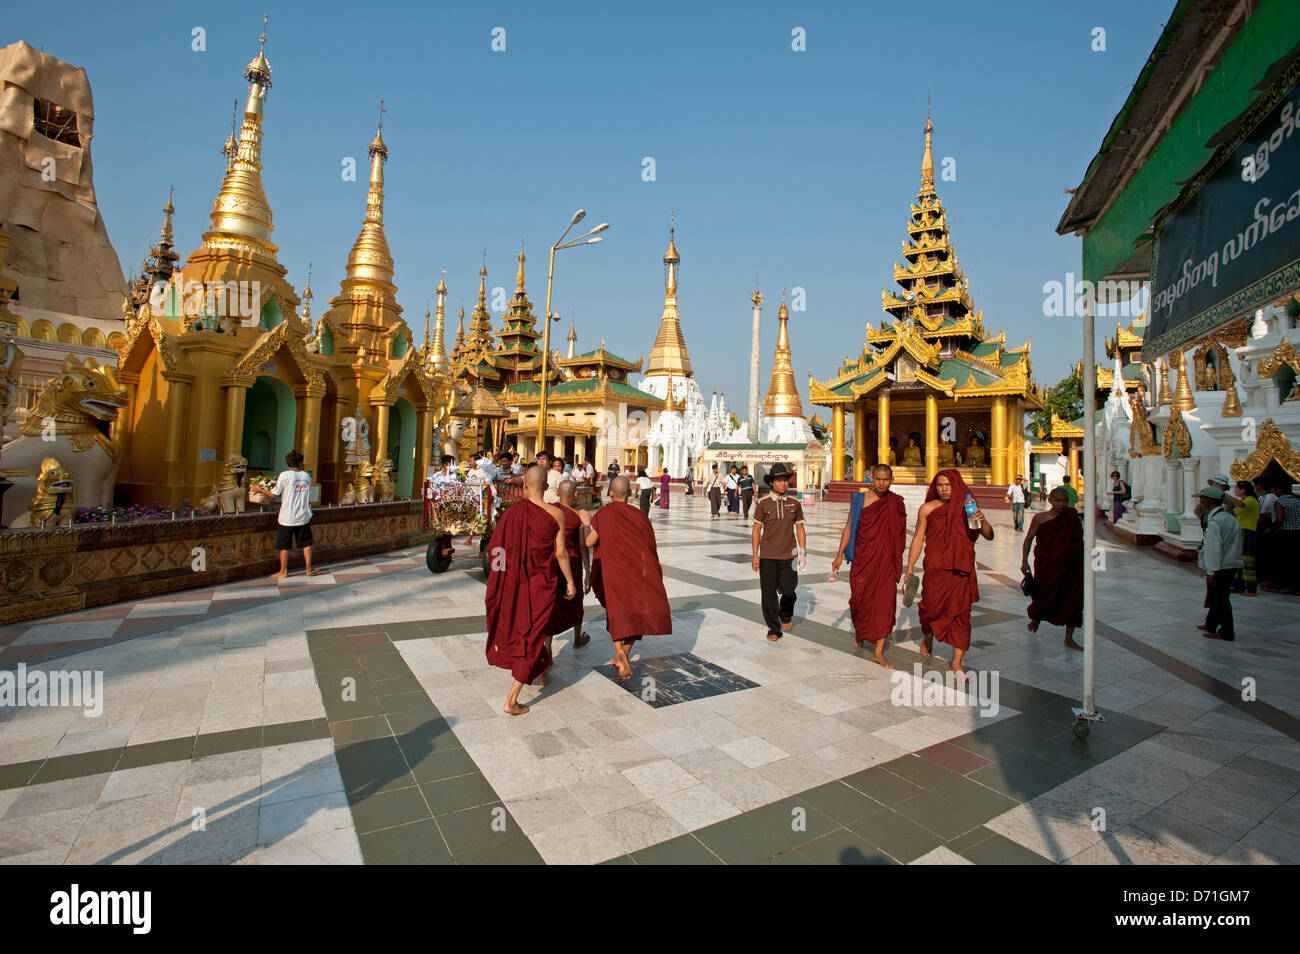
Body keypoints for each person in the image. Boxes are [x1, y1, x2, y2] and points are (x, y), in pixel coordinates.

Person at [485, 465, 575, 714]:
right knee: (535, 634)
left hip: (517, 584)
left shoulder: (511, 513)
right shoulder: (556, 514)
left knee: (532, 630)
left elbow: (496, 549)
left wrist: (500, 576)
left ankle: (543, 670)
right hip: (541, 585)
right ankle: (512, 699)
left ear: (525, 486)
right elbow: (560, 553)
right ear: (547, 488)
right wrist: (570, 581)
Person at [904, 469, 993, 679]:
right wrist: (909, 568)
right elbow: (918, 538)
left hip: (961, 569)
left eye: (948, 484)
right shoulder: (927, 508)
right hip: (936, 568)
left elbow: (989, 536)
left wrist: (983, 520)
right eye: (940, 485)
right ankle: (929, 636)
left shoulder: (968, 508)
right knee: (931, 608)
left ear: (957, 486)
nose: (944, 488)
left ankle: (956, 663)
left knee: (961, 614)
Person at [586, 475, 672, 680]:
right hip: (636, 572)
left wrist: (584, 524)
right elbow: (650, 547)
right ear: (631, 493)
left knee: (616, 612)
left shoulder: (604, 514)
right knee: (636, 612)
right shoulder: (640, 516)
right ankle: (624, 653)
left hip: (613, 571)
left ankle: (620, 654)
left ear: (610, 493)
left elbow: (590, 542)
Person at [831, 464, 906, 667]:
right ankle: (861, 630)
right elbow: (849, 527)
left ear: (892, 480)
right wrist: (839, 555)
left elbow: (900, 535)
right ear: (871, 478)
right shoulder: (859, 500)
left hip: (885, 563)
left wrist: (897, 558)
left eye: (886, 479)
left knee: (885, 604)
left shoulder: (896, 502)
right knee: (860, 601)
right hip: (863, 560)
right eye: (878, 479)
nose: (882, 483)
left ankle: (879, 652)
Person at [1021, 488, 1083, 650]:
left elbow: (1078, 539)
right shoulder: (1040, 518)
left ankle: (1069, 637)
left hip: (1071, 565)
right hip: (1047, 564)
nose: (1062, 504)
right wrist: (1024, 561)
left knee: (1073, 599)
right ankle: (1037, 618)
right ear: (1050, 500)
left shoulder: (1071, 516)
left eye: (1064, 501)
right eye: (1058, 501)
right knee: (1044, 593)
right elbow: (1028, 539)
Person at [751, 464, 806, 641]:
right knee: (768, 594)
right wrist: (755, 555)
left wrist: (802, 552)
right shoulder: (763, 504)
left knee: (789, 590)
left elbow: (800, 528)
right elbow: (756, 529)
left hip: (789, 555)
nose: (783, 484)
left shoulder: (795, 503)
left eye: (785, 480)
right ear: (772, 483)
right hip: (768, 555)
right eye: (780, 480)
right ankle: (774, 628)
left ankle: (786, 613)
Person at [547, 479, 592, 659]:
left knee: (552, 603)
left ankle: (547, 646)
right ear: (575, 494)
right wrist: (588, 572)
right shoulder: (579, 516)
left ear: (557, 493)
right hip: (572, 563)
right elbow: (583, 546)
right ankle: (576, 638)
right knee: (576, 602)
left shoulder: (550, 511)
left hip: (553, 563)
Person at [1197, 485, 1243, 641]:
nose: (1200, 501)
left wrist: (1211, 571)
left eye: (1202, 498)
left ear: (1209, 500)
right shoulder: (1229, 518)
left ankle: (1227, 632)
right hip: (1231, 563)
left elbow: (1213, 549)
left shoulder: (1216, 522)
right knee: (1217, 597)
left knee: (1221, 600)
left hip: (1221, 566)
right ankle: (1210, 624)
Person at [266, 449, 315, 579]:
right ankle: (309, 569)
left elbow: (273, 494)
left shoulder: (285, 475)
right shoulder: (306, 476)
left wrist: (259, 490)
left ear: (288, 463)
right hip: (303, 515)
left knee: (284, 545)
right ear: (300, 462)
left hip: (287, 516)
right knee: (306, 543)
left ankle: (283, 571)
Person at [1270, 483, 1300, 594]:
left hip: (1285, 534)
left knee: (1282, 560)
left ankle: (1279, 585)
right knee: (1295, 561)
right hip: (1297, 533)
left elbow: (1279, 520)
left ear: (1278, 490)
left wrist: (1270, 529)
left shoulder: (1280, 502)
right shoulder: (1298, 501)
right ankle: (1296, 587)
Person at [1232, 480, 1259, 596]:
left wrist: (1225, 495)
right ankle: (1239, 585)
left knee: (1247, 559)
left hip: (1247, 531)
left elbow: (1242, 505)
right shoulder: (1244, 500)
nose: (1235, 490)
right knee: (1239, 559)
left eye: (1237, 488)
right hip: (1240, 531)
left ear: (1243, 490)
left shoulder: (1251, 500)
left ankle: (1251, 588)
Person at [1256, 478, 1280, 591]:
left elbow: (1261, 514)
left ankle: (1268, 580)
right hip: (1270, 528)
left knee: (1266, 556)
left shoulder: (1266, 497)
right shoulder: (1270, 497)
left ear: (1259, 486)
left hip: (1266, 529)